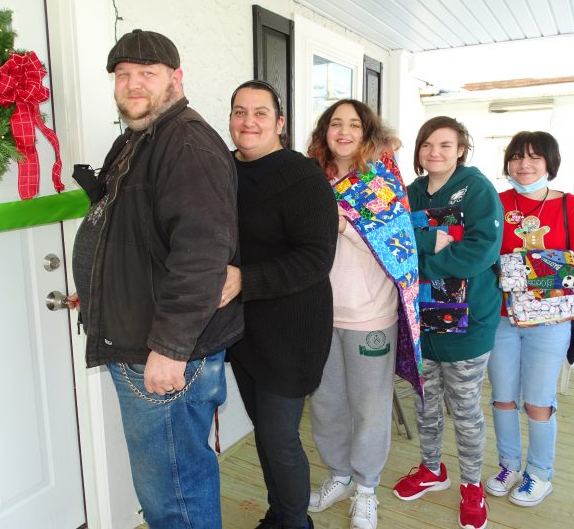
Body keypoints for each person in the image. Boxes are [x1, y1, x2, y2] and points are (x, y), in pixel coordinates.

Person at [69, 29, 244, 529]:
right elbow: (137, 237)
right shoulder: (139, 138)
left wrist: (169, 349)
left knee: (174, 494)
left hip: (165, 351)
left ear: (175, 78)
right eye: (124, 75)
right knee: (169, 485)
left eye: (147, 73)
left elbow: (201, 254)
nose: (133, 84)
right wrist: (100, 289)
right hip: (145, 338)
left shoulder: (184, 142)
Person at [219, 80, 338, 529]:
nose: (248, 121)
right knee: (266, 436)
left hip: (292, 331)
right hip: (243, 329)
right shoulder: (222, 170)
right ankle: (279, 513)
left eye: (260, 113)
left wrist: (246, 279)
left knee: (279, 437)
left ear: (280, 123)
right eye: (239, 111)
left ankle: (294, 521)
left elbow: (315, 258)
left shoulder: (302, 176)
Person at [392, 116, 503, 529]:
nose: (434, 152)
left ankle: (471, 486)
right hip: (422, 323)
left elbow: (480, 250)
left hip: (468, 325)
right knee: (424, 403)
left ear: (460, 150)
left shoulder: (476, 189)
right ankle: (432, 468)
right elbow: (395, 245)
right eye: (426, 145)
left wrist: (422, 266)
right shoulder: (411, 193)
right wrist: (420, 256)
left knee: (465, 408)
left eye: (444, 145)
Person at [485, 131, 574, 507]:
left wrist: (520, 272)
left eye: (535, 157)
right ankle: (508, 465)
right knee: (502, 398)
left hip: (550, 322)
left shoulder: (571, 206)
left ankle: (538, 473)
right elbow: (483, 257)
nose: (524, 164)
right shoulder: (494, 203)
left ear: (550, 162)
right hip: (501, 319)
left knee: (538, 401)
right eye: (517, 156)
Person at [305, 100, 404, 529]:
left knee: (369, 406)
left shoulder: (381, 180)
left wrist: (344, 225)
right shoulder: (311, 178)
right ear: (325, 132)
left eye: (354, 124)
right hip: (319, 313)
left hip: (370, 315)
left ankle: (366, 489)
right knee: (326, 403)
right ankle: (340, 476)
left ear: (367, 133)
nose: (343, 131)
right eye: (335, 124)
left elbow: (397, 246)